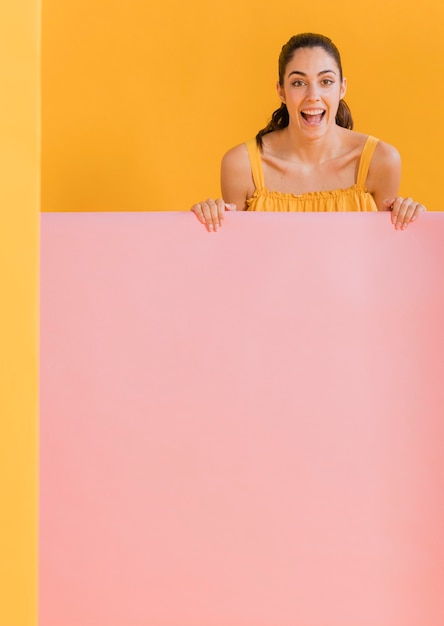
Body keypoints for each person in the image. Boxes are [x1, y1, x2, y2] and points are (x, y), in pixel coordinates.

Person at [191, 32, 426, 232]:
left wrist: (412, 219)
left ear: (342, 88)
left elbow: (383, 255)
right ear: (281, 91)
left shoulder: (381, 160)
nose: (313, 95)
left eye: (326, 81)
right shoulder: (241, 165)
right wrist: (206, 220)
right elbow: (235, 258)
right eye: (298, 83)